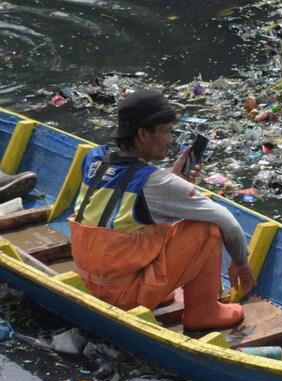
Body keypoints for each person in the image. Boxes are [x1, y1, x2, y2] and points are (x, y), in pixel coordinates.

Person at [69, 89, 256, 331]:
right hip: (123, 297)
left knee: (144, 223)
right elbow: (226, 220)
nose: (171, 140)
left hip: (88, 280)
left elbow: (125, 189)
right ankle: (204, 312)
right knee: (208, 227)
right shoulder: (155, 183)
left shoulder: (94, 158)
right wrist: (241, 263)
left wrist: (173, 177)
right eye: (167, 131)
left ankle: (150, 287)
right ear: (143, 134)